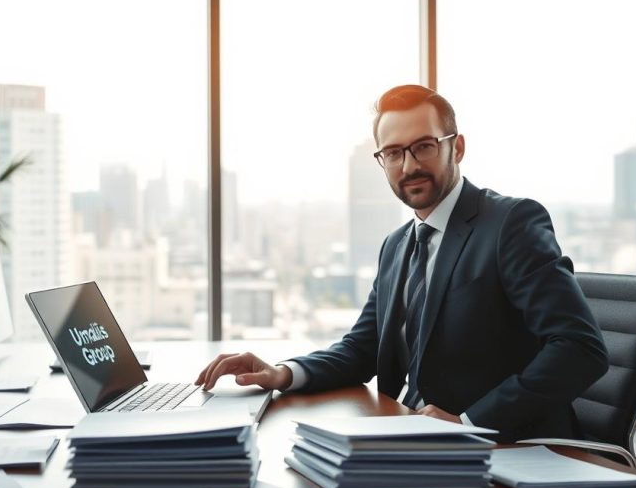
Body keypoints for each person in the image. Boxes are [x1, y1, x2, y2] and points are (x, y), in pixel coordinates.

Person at [195, 84, 608, 442]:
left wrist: (468, 423)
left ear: (457, 147)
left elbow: (579, 349)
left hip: (505, 447)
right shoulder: (397, 245)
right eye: (393, 153)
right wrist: (284, 373)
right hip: (410, 433)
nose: (409, 166)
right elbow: (363, 348)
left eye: (424, 147)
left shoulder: (510, 224)